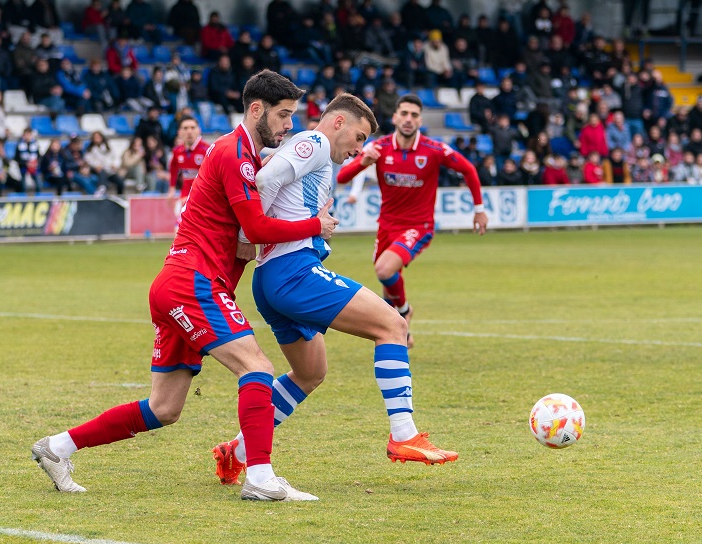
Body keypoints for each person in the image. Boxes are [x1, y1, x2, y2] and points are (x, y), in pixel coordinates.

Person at [31, 70, 338, 501]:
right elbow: (254, 226)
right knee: (258, 369)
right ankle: (261, 477)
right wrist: (315, 225)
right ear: (256, 109)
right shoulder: (235, 154)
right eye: (284, 115)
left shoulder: (245, 158)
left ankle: (56, 448)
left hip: (180, 283)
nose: (289, 125)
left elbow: (245, 239)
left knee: (164, 409)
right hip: (192, 283)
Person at [211, 93, 461, 492]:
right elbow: (264, 179)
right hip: (293, 272)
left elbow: (275, 182)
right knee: (393, 326)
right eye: (359, 137)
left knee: (311, 373)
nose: (360, 149)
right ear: (338, 123)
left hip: (272, 279)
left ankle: (237, 453)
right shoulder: (315, 144)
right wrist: (249, 235)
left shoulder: (317, 155)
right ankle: (403, 433)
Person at [336, 94, 488, 348]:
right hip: (386, 226)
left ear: (420, 120)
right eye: (404, 114)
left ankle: (404, 312)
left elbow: (468, 170)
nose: (408, 119)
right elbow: (342, 177)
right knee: (387, 282)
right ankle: (399, 334)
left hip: (418, 227)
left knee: (384, 269)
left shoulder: (434, 149)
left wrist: (479, 209)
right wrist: (364, 161)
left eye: (414, 115)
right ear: (395, 117)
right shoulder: (380, 148)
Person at [168, 116, 210, 223]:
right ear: (180, 132)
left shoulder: (207, 150)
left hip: (204, 198)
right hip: (185, 196)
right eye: (185, 128)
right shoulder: (177, 151)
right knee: (179, 229)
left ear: (198, 130)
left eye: (192, 127)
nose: (189, 131)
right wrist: (172, 189)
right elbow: (173, 168)